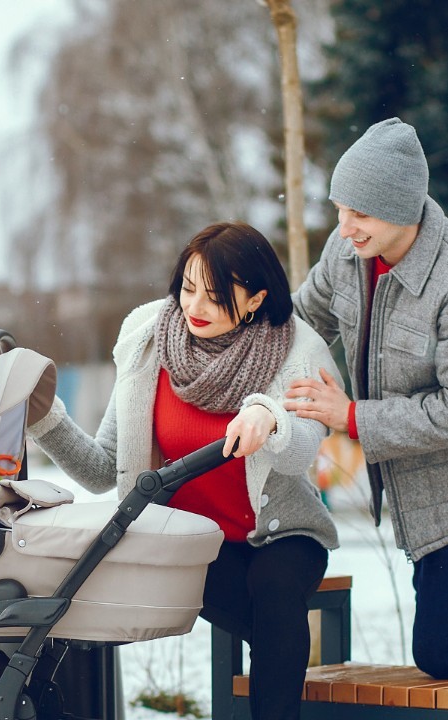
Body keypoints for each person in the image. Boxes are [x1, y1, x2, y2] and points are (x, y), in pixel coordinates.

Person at [28, 221, 340, 720]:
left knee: (276, 593)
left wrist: (271, 416)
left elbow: (302, 449)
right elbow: (103, 468)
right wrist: (44, 418)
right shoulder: (148, 342)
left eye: (215, 296)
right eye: (188, 288)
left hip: (282, 536)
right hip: (191, 542)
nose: (194, 307)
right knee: (274, 626)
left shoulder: (296, 350)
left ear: (256, 298)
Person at [285, 117, 448, 679]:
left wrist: (350, 416)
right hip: (410, 480)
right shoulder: (347, 256)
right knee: (442, 637)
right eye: (340, 209)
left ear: (402, 209)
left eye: (359, 214)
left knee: (446, 652)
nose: (344, 228)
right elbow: (298, 321)